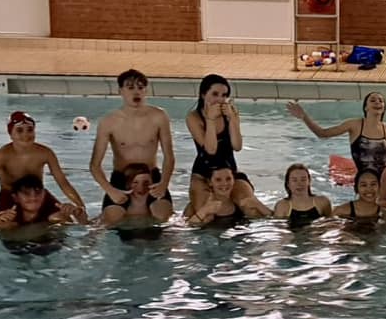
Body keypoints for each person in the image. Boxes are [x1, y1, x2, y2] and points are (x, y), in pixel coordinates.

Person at [90, 70, 176, 219]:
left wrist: (164, 184)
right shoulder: (109, 122)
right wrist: (110, 190)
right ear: (120, 91)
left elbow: (169, 156)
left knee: (164, 218)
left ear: (146, 91)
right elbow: (94, 165)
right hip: (121, 178)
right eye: (130, 88)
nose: (136, 92)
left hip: (151, 177)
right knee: (110, 220)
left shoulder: (159, 116)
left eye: (140, 88)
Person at [0, 111, 88, 225]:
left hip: (37, 197)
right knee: (6, 226)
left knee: (64, 219)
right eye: (19, 130)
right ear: (10, 134)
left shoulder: (45, 153)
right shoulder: (3, 155)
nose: (26, 135)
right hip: (11, 197)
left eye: (30, 130)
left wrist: (80, 206)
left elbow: (63, 183)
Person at [186, 74, 262, 216]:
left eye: (224, 95)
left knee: (251, 210)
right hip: (203, 174)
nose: (220, 99)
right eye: (215, 94)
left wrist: (233, 119)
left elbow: (237, 146)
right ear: (203, 94)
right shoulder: (194, 117)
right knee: (205, 217)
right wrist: (210, 120)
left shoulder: (230, 114)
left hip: (229, 174)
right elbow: (211, 149)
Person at [286, 92, 386, 177]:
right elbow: (322, 133)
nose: (377, 102)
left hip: (384, 180)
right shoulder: (355, 125)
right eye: (373, 100)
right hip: (363, 182)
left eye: (381, 101)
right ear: (366, 107)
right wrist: (304, 117)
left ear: (384, 108)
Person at [188, 165, 273, 227]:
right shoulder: (197, 206)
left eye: (228, 179)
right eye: (218, 180)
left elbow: (274, 220)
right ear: (210, 182)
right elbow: (185, 227)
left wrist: (258, 205)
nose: (224, 183)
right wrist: (204, 211)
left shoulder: (241, 205)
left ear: (234, 180)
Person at [0, 174, 82, 229]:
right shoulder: (8, 219)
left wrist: (75, 215)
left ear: (44, 194)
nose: (33, 197)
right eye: (26, 193)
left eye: (38, 192)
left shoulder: (55, 216)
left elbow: (80, 229)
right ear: (16, 198)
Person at [101, 163, 171, 226]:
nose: (141, 187)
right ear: (128, 185)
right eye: (135, 182)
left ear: (152, 183)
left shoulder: (158, 209)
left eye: (146, 182)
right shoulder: (118, 210)